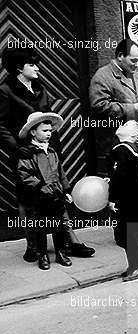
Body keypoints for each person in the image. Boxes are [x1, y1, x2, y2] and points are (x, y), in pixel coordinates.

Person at [1, 47, 95, 261]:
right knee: (28, 200)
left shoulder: (40, 87)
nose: (37, 68)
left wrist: (54, 146)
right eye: (32, 64)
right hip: (24, 153)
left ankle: (70, 241)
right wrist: (17, 147)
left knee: (58, 194)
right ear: (18, 67)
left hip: (47, 150)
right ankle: (33, 245)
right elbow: (1, 125)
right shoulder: (5, 90)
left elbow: (48, 119)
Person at [15, 112, 72, 270]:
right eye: (44, 131)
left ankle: (60, 252)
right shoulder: (28, 153)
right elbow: (24, 174)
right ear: (33, 132)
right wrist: (41, 187)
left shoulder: (52, 152)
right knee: (41, 227)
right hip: (39, 197)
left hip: (56, 195)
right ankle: (43, 255)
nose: (48, 134)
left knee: (59, 225)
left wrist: (66, 189)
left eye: (50, 131)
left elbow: (60, 172)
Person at [89, 39, 138, 176]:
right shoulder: (102, 76)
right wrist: (133, 109)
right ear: (120, 56)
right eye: (133, 61)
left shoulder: (135, 75)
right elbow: (98, 106)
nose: (137, 65)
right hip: (116, 147)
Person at [108, 121, 138, 281]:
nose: (123, 125)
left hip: (126, 200)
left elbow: (120, 178)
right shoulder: (127, 151)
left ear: (134, 135)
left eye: (128, 125)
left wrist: (113, 199)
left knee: (128, 234)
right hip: (134, 200)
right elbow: (120, 175)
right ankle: (136, 264)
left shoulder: (122, 151)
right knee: (128, 233)